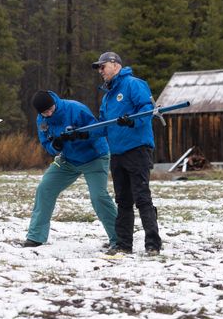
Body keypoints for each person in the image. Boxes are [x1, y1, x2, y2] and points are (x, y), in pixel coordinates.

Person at [24, 90, 118, 249]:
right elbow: (46, 143)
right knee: (45, 188)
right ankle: (35, 237)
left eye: (50, 109)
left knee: (98, 197)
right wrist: (56, 146)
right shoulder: (42, 120)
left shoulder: (75, 108)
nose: (48, 113)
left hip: (94, 157)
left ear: (54, 103)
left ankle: (119, 238)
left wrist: (81, 134)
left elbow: (99, 130)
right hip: (67, 160)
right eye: (44, 112)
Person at [92, 51, 162, 256]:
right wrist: (79, 134)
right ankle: (123, 244)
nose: (100, 71)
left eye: (102, 66)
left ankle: (153, 244)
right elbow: (102, 126)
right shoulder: (107, 97)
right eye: (98, 68)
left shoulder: (133, 84)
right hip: (118, 153)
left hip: (137, 149)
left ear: (115, 65)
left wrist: (132, 119)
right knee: (122, 200)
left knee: (142, 197)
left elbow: (147, 109)